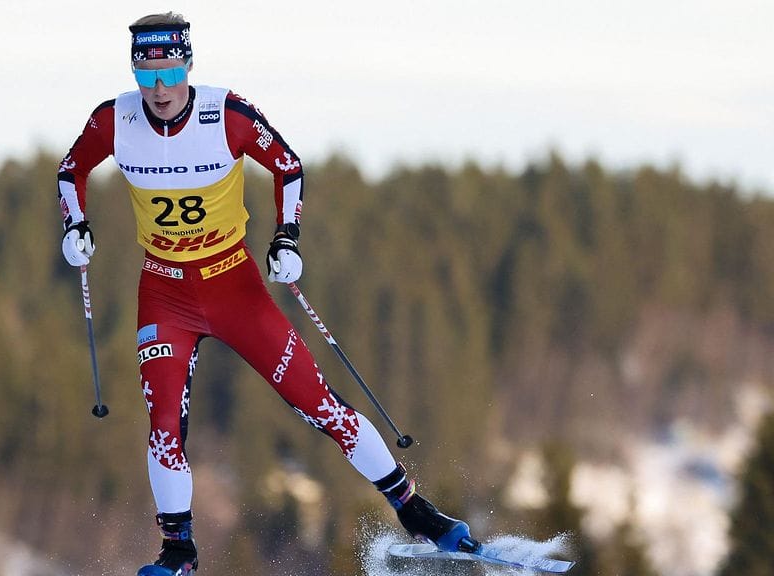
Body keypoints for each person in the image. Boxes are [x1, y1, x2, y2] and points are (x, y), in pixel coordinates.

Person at [56, 12, 480, 576]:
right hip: (164, 291)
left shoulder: (225, 114)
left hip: (235, 286)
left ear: (187, 64)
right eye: (146, 74)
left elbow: (287, 165)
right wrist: (75, 225)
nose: (158, 90)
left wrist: (287, 236)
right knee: (162, 422)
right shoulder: (114, 119)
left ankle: (417, 512)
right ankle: (178, 551)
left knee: (318, 402)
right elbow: (70, 170)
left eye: (169, 72)